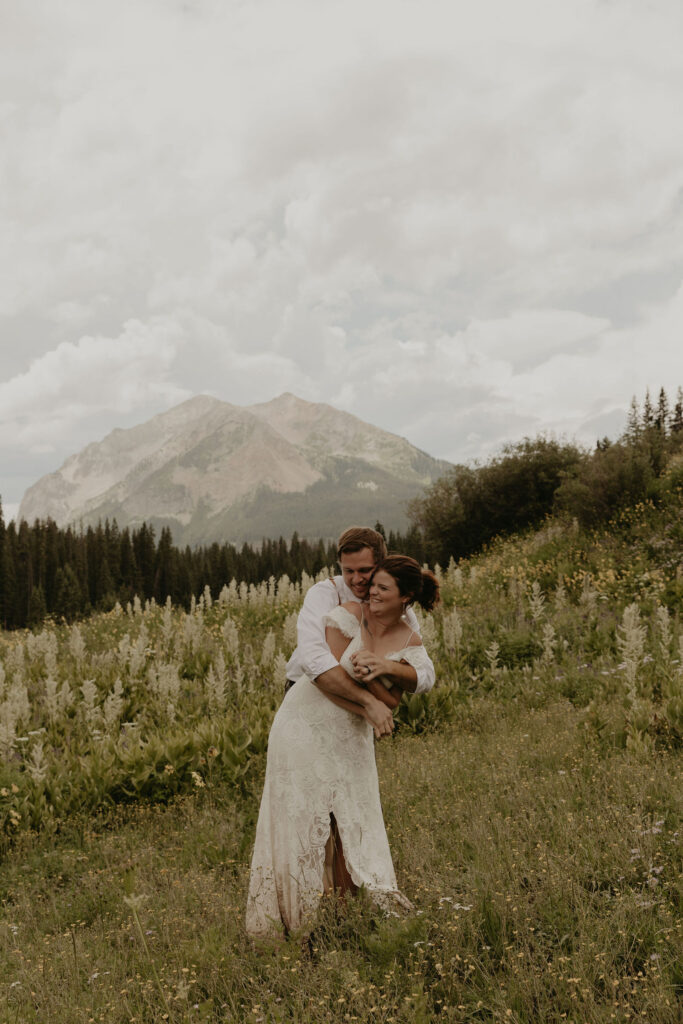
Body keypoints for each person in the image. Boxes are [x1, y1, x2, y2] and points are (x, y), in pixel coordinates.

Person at [246, 551, 440, 939]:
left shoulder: (408, 633)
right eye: (370, 584)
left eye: (382, 586)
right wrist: (371, 704)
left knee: (351, 818)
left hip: (350, 734)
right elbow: (326, 680)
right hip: (304, 722)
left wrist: (383, 668)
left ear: (405, 597)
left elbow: (411, 686)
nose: (370, 592)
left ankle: (346, 916)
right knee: (304, 818)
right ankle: (295, 922)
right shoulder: (348, 615)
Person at [285, 527, 435, 735]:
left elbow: (424, 675)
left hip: (362, 710)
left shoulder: (399, 609)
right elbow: (313, 662)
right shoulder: (326, 594)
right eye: (348, 571)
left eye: (364, 570)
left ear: (381, 564)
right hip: (309, 697)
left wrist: (386, 667)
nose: (356, 579)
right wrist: (368, 704)